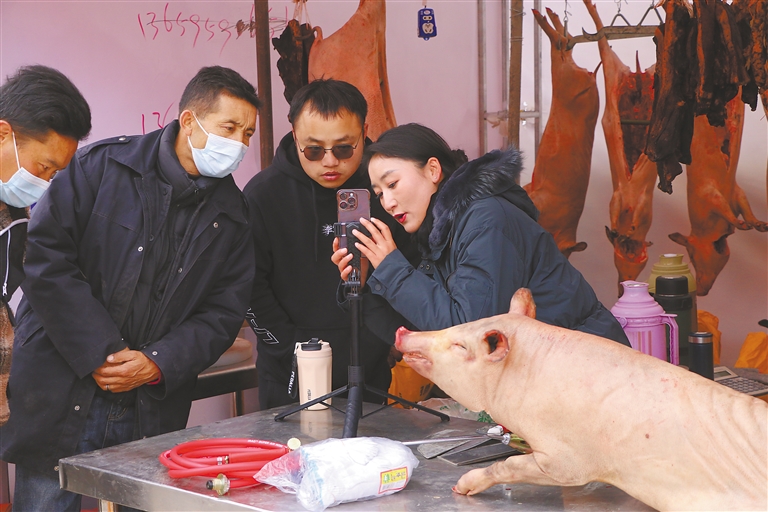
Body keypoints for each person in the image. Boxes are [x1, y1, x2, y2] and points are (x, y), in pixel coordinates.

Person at [0, 65, 258, 511]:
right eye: (229, 128)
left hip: (149, 401)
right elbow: (46, 260)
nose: (239, 144)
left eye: (248, 133)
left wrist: (157, 362)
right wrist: (101, 352)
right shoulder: (100, 167)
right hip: (61, 384)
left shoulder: (234, 215)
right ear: (190, 121)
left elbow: (222, 314)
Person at [332, 123, 630, 345]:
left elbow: (471, 330)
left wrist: (393, 269)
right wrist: (362, 286)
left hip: (588, 371)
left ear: (433, 170)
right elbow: (419, 334)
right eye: (379, 193)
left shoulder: (486, 219)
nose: (387, 202)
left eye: (392, 184)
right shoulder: (440, 231)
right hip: (549, 373)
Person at [244, 79, 413, 410]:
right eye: (314, 150)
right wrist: (289, 348)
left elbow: (413, 263)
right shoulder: (263, 195)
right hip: (289, 373)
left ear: (364, 132)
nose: (330, 162)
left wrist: (389, 337)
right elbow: (250, 288)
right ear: (295, 136)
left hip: (369, 369)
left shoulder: (386, 191)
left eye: (344, 148)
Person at [0, 65, 92, 427]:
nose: (44, 183)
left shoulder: (16, 211)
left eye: (54, 174)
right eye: (42, 167)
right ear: (3, 134)